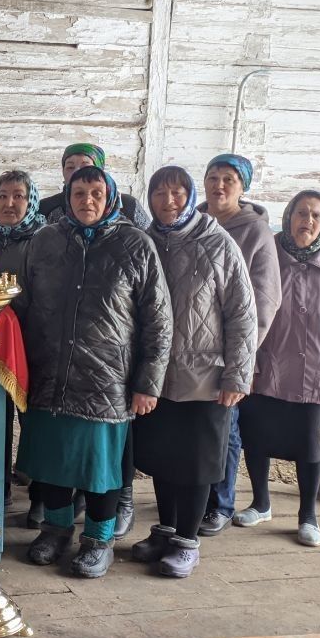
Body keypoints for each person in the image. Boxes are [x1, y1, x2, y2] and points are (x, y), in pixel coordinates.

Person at [14, 166, 171, 578]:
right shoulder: (45, 240)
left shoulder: (135, 244)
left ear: (110, 197)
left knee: (100, 469)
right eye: (79, 192)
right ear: (68, 196)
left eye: (96, 193)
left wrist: (148, 382)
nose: (87, 200)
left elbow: (158, 320)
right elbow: (23, 303)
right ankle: (56, 530)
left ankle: (99, 541)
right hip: (49, 374)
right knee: (52, 461)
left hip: (107, 380)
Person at [130, 166, 257, 578]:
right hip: (157, 375)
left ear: (189, 196)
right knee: (163, 457)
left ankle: (187, 542)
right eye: (159, 193)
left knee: (197, 463)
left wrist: (237, 375)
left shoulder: (218, 243)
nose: (168, 201)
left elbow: (242, 314)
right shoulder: (146, 241)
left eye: (177, 192)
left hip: (206, 376)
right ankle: (166, 530)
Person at [236, 190, 320, 548]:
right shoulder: (268, 255)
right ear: (289, 216)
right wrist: (245, 361)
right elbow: (246, 310)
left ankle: (308, 515)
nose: (307, 221)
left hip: (315, 370)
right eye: (301, 213)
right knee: (256, 437)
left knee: (308, 445)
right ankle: (260, 503)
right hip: (265, 364)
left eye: (316, 215)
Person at [197, 154, 283, 536]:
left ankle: (221, 503)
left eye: (228, 179)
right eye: (213, 177)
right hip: (190, 351)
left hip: (228, 352)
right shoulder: (192, 222)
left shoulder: (255, 232)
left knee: (225, 428)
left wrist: (240, 358)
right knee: (195, 428)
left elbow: (265, 301)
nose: (219, 186)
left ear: (242, 187)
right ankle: (194, 495)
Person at [0, 169, 48, 515]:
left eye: (18, 196)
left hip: (33, 344)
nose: (9, 203)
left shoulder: (44, 239)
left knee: (34, 423)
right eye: (3, 195)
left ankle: (41, 498)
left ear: (30, 201)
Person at [39, 143, 152, 230]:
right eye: (70, 167)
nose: (76, 172)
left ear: (99, 170)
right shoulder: (46, 207)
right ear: (63, 172)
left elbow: (149, 240)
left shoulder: (128, 205)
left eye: (85, 166)